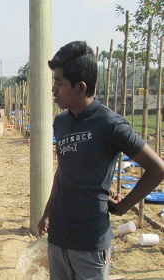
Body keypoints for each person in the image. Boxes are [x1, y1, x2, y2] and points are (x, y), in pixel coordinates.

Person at [38, 41, 164, 280]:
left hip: (90, 244)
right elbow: (62, 171)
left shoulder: (110, 125)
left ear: (80, 87)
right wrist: (47, 213)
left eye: (59, 82)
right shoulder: (61, 123)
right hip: (59, 238)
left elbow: (157, 168)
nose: (53, 89)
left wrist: (125, 205)